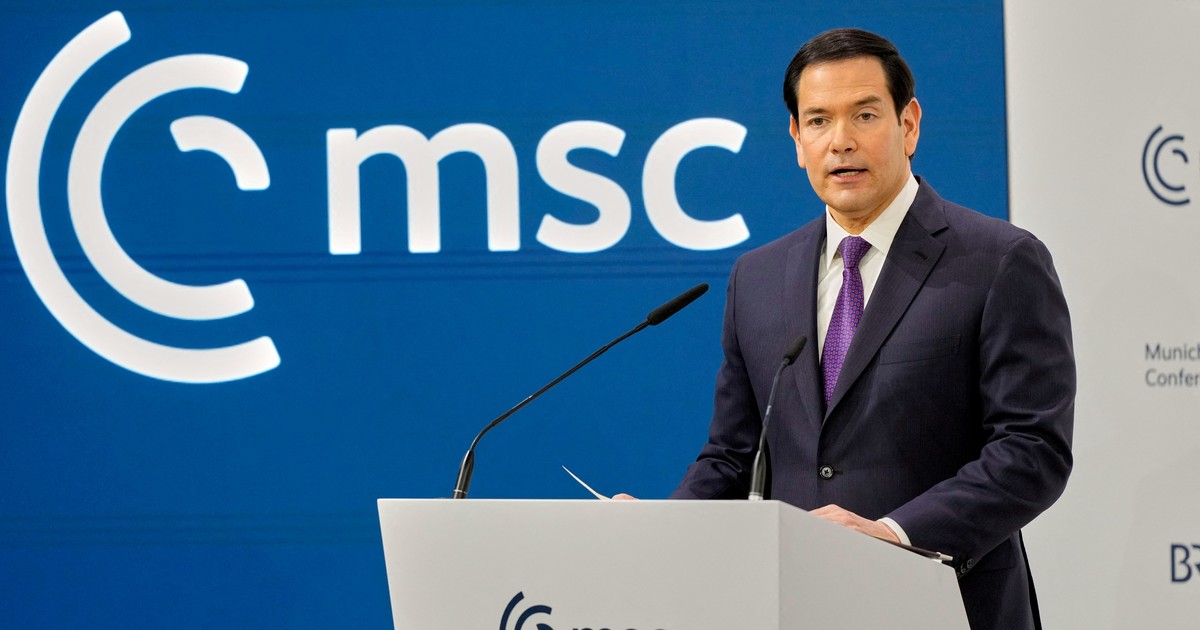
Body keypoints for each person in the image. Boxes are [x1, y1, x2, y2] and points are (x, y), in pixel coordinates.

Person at [627, 28, 1076, 630]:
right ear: (797, 139)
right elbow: (734, 455)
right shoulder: (758, 277)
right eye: (818, 121)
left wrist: (892, 533)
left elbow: (1032, 449)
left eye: (864, 115)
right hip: (794, 608)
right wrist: (664, 527)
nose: (841, 141)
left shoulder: (999, 260)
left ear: (908, 124)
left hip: (949, 603)